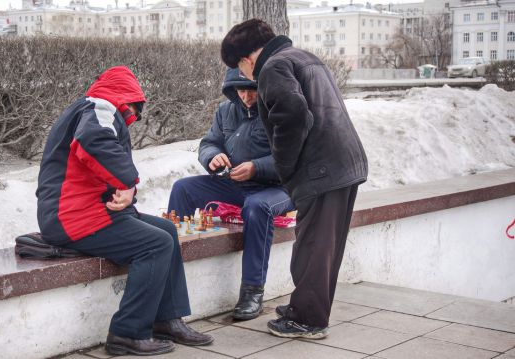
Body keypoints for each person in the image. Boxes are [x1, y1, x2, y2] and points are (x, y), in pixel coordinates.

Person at [36, 66, 213, 356]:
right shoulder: (100, 106)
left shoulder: (94, 108)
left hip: (88, 210)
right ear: (126, 97)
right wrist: (128, 182)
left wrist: (125, 190)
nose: (134, 115)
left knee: (166, 230)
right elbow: (93, 142)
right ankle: (127, 333)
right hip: (71, 217)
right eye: (134, 107)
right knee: (156, 244)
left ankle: (166, 319)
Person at [220, 19, 368, 339]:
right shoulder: (302, 57)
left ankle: (307, 319)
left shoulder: (272, 67)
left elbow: (293, 117)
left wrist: (285, 168)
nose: (245, 78)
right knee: (324, 246)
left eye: (240, 69)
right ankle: (305, 307)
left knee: (313, 246)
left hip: (321, 168)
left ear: (246, 59)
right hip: (343, 162)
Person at [168, 68, 294, 320]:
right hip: (235, 183)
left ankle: (252, 292)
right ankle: (170, 278)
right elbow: (209, 143)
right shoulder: (226, 111)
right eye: (241, 90)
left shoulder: (279, 112)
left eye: (252, 90)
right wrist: (212, 157)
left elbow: (291, 156)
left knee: (257, 207)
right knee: (183, 188)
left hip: (277, 188)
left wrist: (257, 167)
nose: (246, 96)